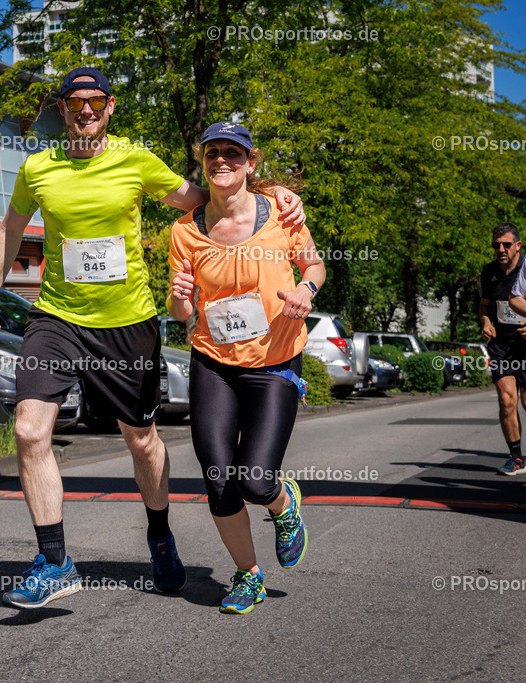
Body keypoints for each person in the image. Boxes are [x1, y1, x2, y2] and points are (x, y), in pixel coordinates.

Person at [0, 67, 306, 609]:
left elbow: (207, 196)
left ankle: (160, 535)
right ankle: (54, 559)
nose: (86, 109)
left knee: (141, 439)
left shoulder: (135, 159)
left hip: (128, 325)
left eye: (96, 101)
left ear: (110, 107)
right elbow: (10, 230)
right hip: (57, 317)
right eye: (75, 101)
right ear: (63, 109)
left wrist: (274, 194)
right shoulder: (37, 168)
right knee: (30, 429)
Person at [167, 121, 325, 614]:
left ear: (250, 163)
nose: (221, 161)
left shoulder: (282, 212)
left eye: (232, 153)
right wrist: (178, 302)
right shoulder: (184, 230)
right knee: (218, 476)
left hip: (275, 361)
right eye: (213, 152)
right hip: (213, 362)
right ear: (203, 160)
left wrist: (306, 291)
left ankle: (283, 503)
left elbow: (314, 267)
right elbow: (182, 313)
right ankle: (247, 575)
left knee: (255, 480)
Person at [485, 224, 526, 475]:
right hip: (502, 346)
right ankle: (516, 458)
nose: (500, 249)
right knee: (506, 399)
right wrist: (486, 322)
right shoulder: (489, 272)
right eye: (496, 245)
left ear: (518, 245)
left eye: (506, 244)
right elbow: (484, 306)